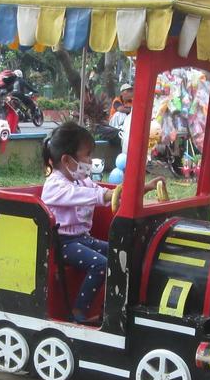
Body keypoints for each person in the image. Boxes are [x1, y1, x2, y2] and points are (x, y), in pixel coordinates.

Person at [42, 122, 157, 325]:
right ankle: (78, 311)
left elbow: (109, 195)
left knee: (121, 253)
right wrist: (106, 194)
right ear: (67, 160)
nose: (90, 160)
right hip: (63, 243)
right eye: (87, 154)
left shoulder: (82, 181)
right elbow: (89, 195)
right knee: (101, 264)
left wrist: (143, 189)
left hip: (83, 240)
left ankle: (113, 308)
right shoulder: (55, 185)